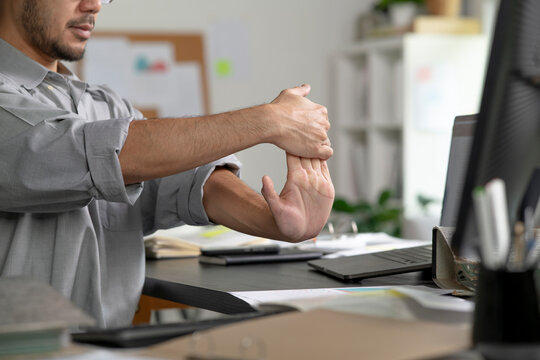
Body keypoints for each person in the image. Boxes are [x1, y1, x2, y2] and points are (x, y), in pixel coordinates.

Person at [0, 0, 335, 328]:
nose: (94, 6)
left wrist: (272, 218)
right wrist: (266, 122)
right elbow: (99, 152)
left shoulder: (104, 104)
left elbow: (182, 180)